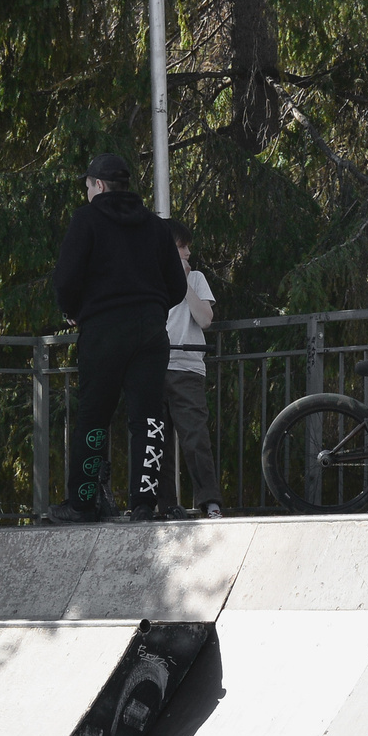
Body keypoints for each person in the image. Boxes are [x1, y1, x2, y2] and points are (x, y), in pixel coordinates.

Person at [49, 153, 185, 523]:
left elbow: (65, 278)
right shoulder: (156, 227)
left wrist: (76, 310)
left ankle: (82, 503)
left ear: (98, 185)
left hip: (103, 329)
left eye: (87, 185)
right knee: (149, 417)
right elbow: (177, 284)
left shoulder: (86, 218)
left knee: (94, 414)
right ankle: (144, 503)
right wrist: (153, 307)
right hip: (150, 329)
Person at [161, 221, 225, 519]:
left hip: (187, 368)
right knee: (155, 438)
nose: (188, 252)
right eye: (181, 247)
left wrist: (183, 283)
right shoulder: (149, 278)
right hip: (154, 366)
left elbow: (205, 319)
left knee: (195, 436)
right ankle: (165, 505)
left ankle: (209, 502)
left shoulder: (196, 277)